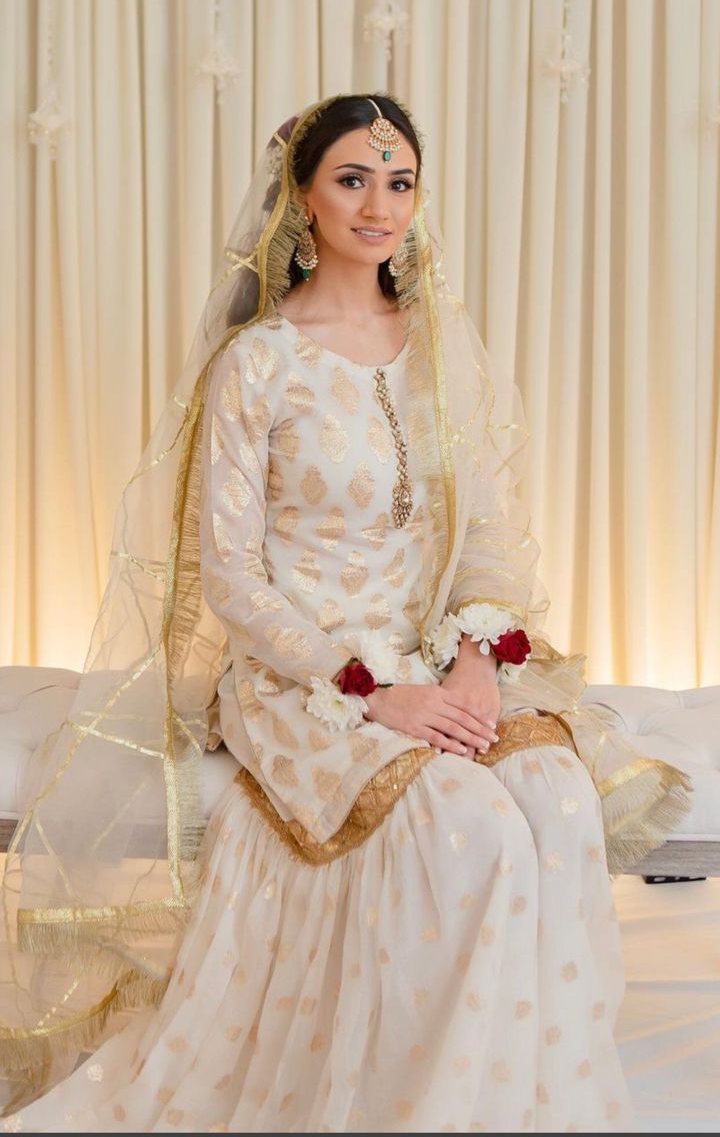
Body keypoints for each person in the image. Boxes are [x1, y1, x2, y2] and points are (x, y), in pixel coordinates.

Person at [0, 93, 691, 1132]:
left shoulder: (442, 351)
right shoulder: (257, 366)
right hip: (309, 675)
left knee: (554, 803)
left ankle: (528, 1102)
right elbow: (231, 576)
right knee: (470, 826)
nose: (380, 206)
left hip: (442, 658)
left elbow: (494, 535)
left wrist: (471, 667)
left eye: (399, 182)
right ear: (303, 195)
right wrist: (376, 694)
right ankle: (422, 1105)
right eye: (353, 180)